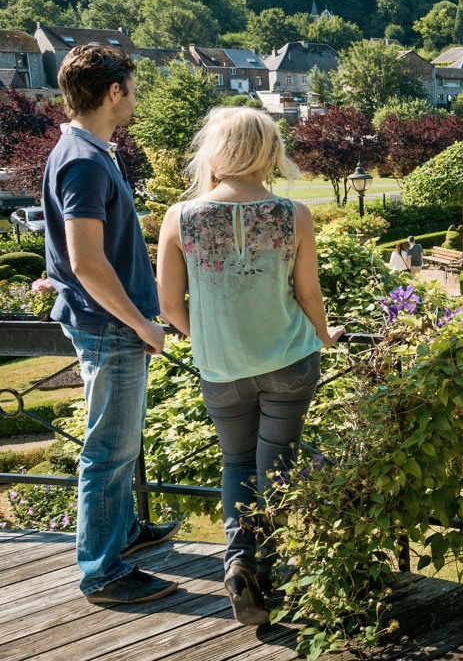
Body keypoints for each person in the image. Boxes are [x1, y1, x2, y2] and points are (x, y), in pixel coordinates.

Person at [157, 107, 344, 625]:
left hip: (221, 369)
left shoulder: (182, 216)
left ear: (217, 149)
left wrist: (208, 339)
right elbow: (308, 294)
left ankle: (240, 561)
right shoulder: (292, 214)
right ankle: (280, 565)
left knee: (237, 462)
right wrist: (327, 336)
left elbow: (170, 304)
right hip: (289, 359)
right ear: (268, 151)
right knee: (276, 459)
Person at [41, 43, 180, 605]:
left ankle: (122, 532)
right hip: (111, 325)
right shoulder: (84, 159)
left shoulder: (85, 149)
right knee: (108, 448)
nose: (136, 99)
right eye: (132, 89)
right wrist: (142, 325)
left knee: (120, 442)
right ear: (113, 92)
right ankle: (101, 572)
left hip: (106, 321)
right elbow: (87, 261)